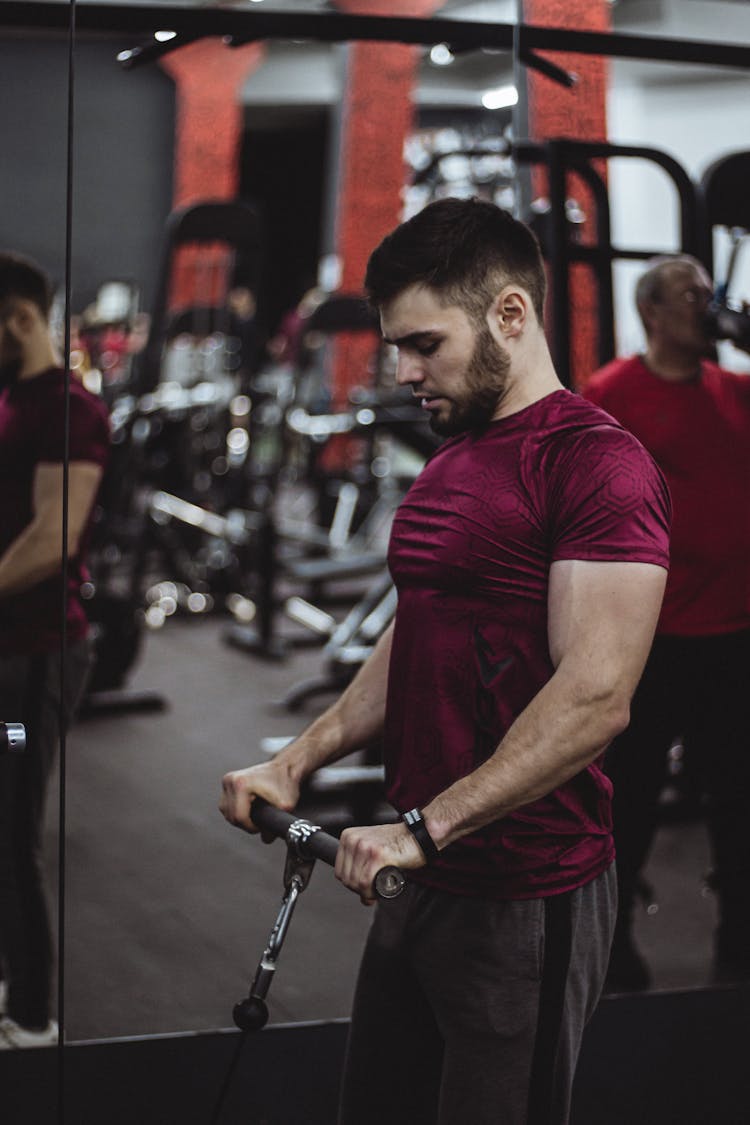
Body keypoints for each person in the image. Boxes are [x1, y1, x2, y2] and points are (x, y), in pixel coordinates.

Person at [220, 198, 671, 1125]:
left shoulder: (596, 465)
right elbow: (418, 630)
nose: (402, 369)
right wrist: (299, 758)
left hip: (524, 891)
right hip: (423, 878)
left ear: (509, 315)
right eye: (397, 345)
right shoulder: (455, 457)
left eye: (423, 343)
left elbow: (595, 695)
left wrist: (424, 828)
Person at [583, 254, 750, 991]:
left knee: (740, 800)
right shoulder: (612, 393)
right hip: (651, 641)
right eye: (691, 295)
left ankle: (742, 941)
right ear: (652, 311)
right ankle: (610, 948)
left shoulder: (737, 391)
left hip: (734, 636)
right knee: (632, 800)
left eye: (709, 294)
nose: (705, 305)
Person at [0, 252, 110, 1048]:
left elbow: (51, 539)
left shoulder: (71, 410)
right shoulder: (8, 400)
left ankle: (31, 1017)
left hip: (34, 662)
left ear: (21, 319)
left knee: (10, 827)